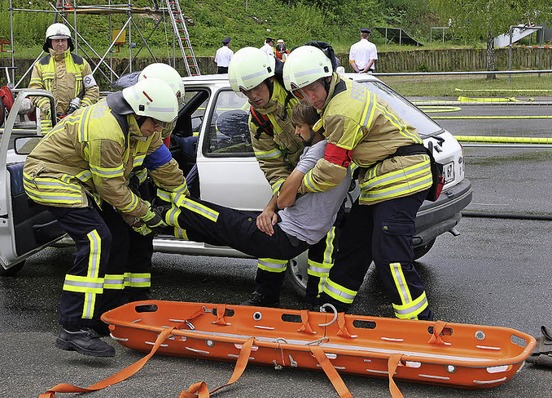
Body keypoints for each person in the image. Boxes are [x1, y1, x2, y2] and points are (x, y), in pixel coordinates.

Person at [22, 78, 188, 357]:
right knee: (96, 239)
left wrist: (184, 199)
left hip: (80, 182)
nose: (158, 130)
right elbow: (111, 187)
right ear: (138, 111)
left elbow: (164, 167)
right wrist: (145, 214)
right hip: (48, 177)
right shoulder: (107, 130)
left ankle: (104, 316)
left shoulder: (145, 126)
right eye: (156, 124)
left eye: (162, 125)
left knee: (118, 237)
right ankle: (73, 327)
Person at [283, 45, 434, 320]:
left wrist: (298, 187)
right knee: (354, 242)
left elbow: (331, 171)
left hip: (400, 178)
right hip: (382, 180)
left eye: (312, 89)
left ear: (327, 77)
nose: (308, 97)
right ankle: (332, 307)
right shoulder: (338, 95)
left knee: (389, 254)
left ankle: (418, 324)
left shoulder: (342, 109)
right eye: (300, 93)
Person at [154, 103, 351, 299]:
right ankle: (171, 224)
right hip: (292, 232)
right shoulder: (329, 153)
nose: (297, 132)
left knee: (223, 221)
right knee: (222, 232)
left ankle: (169, 210)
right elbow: (286, 194)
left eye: (300, 126)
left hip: (288, 236)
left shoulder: (317, 152)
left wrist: (280, 199)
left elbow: (284, 199)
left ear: (315, 126)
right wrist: (270, 208)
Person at [227, 47, 342, 309]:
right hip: (294, 181)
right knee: (273, 228)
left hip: (326, 174)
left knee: (324, 240)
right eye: (246, 92)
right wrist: (282, 199)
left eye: (256, 88)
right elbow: (272, 166)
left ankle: (317, 303)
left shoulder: (300, 96)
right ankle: (265, 295)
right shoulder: (257, 119)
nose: (253, 96)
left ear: (269, 79)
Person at [108, 62, 186, 303]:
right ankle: (113, 302)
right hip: (111, 189)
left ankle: (138, 297)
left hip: (136, 185)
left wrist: (184, 197)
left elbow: (163, 163)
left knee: (142, 241)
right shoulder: (121, 119)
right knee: (118, 243)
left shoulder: (150, 118)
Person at [28, 23, 99, 131]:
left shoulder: (81, 63)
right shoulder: (41, 65)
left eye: (63, 40)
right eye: (57, 40)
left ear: (68, 41)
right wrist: (49, 109)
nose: (60, 44)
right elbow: (35, 92)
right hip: (49, 126)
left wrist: (80, 109)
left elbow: (92, 90)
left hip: (77, 123)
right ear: (50, 42)